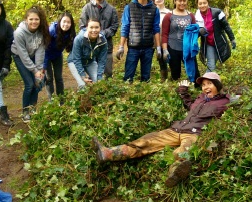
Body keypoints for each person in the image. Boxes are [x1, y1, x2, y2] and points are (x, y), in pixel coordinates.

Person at [92, 72, 230, 187]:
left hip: (194, 133)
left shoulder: (224, 101)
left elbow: (241, 99)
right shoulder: (200, 99)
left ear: (217, 85)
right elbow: (189, 105)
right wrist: (183, 90)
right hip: (177, 129)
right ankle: (109, 153)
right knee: (146, 141)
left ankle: (174, 174)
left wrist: (243, 94)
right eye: (203, 84)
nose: (206, 87)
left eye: (210, 84)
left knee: (184, 151)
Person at [116, 0, 161, 83]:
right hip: (133, 48)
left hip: (148, 48)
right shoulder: (129, 7)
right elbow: (125, 27)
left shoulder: (154, 9)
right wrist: (121, 47)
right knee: (128, 77)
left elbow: (156, 29)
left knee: (146, 78)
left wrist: (158, 47)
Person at [11, 6, 50, 123]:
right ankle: (25, 112)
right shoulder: (19, 33)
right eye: (31, 19)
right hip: (19, 56)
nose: (34, 22)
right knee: (29, 84)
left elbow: (40, 50)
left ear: (40, 20)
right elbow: (23, 55)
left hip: (33, 55)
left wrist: (39, 69)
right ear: (26, 20)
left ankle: (33, 109)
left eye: (36, 19)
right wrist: (34, 71)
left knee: (37, 84)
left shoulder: (42, 31)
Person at [79, 0, 119, 79]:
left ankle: (107, 92)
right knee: (92, 74)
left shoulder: (111, 9)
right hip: (90, 47)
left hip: (107, 46)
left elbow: (114, 26)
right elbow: (82, 26)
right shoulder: (87, 8)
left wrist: (102, 33)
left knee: (108, 72)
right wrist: (92, 34)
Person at [161, 0, 201, 84]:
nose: (182, 3)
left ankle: (197, 89)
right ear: (175, 1)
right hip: (173, 48)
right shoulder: (169, 16)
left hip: (188, 49)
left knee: (195, 72)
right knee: (175, 74)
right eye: (180, 0)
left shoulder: (190, 16)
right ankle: (179, 91)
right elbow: (165, 34)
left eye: (184, 0)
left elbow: (194, 32)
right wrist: (165, 50)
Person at [195, 0, 237, 72]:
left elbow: (226, 26)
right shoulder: (196, 17)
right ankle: (207, 81)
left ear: (208, 3)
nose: (202, 5)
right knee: (211, 64)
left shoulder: (217, 12)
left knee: (213, 62)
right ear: (197, 5)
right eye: (200, 4)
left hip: (219, 42)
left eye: (204, 3)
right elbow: (194, 33)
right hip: (208, 44)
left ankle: (208, 81)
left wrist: (232, 39)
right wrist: (199, 31)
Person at [67, 18, 108, 90]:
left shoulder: (103, 41)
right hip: (74, 61)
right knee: (82, 84)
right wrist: (83, 76)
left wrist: (99, 76)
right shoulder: (79, 39)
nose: (94, 30)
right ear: (87, 28)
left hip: (90, 61)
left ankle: (95, 99)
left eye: (96, 27)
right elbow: (76, 59)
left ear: (100, 28)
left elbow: (102, 60)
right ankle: (81, 100)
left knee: (100, 82)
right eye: (91, 27)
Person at [44, 12, 76, 101]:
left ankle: (61, 99)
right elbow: (44, 49)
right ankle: (52, 100)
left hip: (57, 55)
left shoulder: (71, 33)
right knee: (49, 78)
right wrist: (43, 66)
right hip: (46, 56)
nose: (66, 24)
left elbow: (74, 47)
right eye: (64, 21)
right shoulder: (51, 31)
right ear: (59, 22)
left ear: (71, 24)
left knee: (59, 77)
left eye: (68, 22)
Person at [151, 0, 171, 82]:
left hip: (165, 39)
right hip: (152, 39)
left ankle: (165, 77)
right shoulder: (151, 11)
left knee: (164, 58)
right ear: (154, 1)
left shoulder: (169, 12)